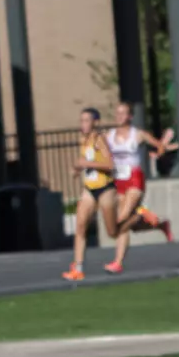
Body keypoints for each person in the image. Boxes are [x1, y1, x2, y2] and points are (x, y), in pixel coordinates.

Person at [103, 102, 176, 274]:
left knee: (121, 219)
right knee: (130, 226)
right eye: (117, 113)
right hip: (119, 180)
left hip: (135, 179)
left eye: (123, 113)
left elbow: (159, 145)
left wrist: (159, 151)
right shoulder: (109, 136)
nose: (120, 116)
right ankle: (159, 224)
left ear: (130, 116)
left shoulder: (138, 134)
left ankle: (117, 262)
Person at [64, 108, 119, 282]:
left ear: (95, 122)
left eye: (87, 120)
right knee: (80, 226)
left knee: (112, 232)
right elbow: (84, 162)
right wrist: (76, 169)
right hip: (89, 189)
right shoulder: (84, 140)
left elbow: (110, 165)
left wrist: (87, 163)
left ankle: (140, 218)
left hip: (105, 188)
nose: (83, 124)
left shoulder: (99, 139)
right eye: (81, 121)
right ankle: (78, 268)